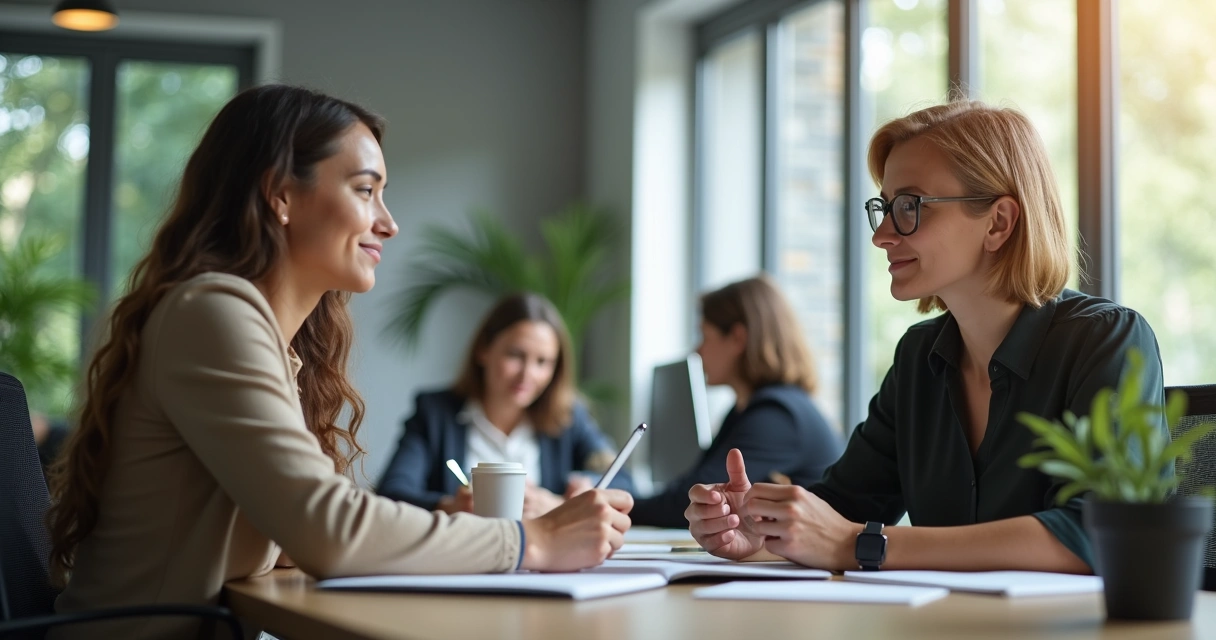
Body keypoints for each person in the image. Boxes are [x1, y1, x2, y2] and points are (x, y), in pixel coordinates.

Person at [44, 85, 632, 639]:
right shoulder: (212, 314)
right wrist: (529, 541)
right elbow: (328, 529)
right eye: (364, 189)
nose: (388, 222)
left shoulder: (272, 343)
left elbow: (309, 532)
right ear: (280, 195)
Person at [685, 100, 1164, 573]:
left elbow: (1103, 532)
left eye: (910, 207)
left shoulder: (1105, 340)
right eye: (886, 208)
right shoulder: (919, 357)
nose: (882, 235)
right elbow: (840, 512)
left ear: (998, 222)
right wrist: (757, 533)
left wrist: (860, 544)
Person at [377, 292, 633, 518]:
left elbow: (624, 483)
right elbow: (391, 493)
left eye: (543, 362)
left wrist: (565, 501)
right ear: (483, 350)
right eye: (515, 356)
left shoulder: (567, 417)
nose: (527, 375)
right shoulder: (435, 414)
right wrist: (451, 506)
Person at [629, 276, 844, 528]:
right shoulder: (750, 409)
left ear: (738, 338)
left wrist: (617, 507)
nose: (698, 351)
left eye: (705, 336)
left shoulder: (776, 416)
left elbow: (694, 501)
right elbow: (694, 487)